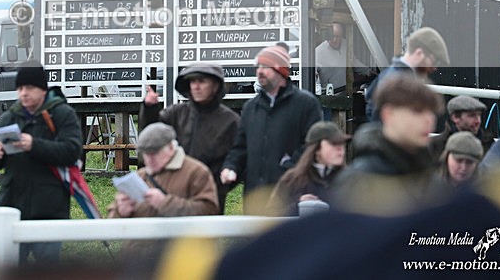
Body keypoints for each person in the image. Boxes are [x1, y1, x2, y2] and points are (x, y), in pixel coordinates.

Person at [0, 59, 82, 265]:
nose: (23, 93)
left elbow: (72, 152)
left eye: (29, 88)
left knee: (47, 269)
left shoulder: (63, 114)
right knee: (8, 266)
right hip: (12, 203)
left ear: (42, 89)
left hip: (48, 205)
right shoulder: (9, 117)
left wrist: (34, 145)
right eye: (20, 88)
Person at [220, 44, 322, 211]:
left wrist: (286, 167)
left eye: (266, 66)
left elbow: (312, 146)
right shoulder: (250, 108)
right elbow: (240, 147)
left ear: (282, 71)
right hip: (255, 198)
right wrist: (231, 167)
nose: (260, 71)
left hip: (291, 196)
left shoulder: (306, 104)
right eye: (258, 66)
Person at [333, 73, 445, 215]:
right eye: (417, 110)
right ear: (389, 114)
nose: (429, 120)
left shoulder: (432, 178)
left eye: (432, 112)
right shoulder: (357, 182)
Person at [139, 62, 239, 212]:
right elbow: (152, 135)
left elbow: (239, 156)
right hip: (172, 190)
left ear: (215, 86)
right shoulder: (176, 113)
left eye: (202, 81)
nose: (196, 86)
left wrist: (219, 186)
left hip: (209, 194)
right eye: (192, 82)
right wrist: (150, 109)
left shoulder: (230, 121)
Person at [108, 123, 219, 219]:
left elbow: (209, 211)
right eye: (146, 154)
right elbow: (111, 224)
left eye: (155, 153)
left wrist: (165, 203)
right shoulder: (140, 176)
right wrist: (120, 211)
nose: (150, 160)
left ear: (171, 148)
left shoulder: (196, 172)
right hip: (141, 238)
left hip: (182, 238)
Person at [364, 26, 449, 121]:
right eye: (434, 61)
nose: (434, 68)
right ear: (419, 53)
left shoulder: (392, 74)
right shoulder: (397, 80)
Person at [266, 121, 349, 216]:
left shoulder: (350, 180)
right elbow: (270, 215)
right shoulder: (292, 179)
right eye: (334, 144)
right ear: (316, 149)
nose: (340, 149)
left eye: (342, 144)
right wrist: (297, 206)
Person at [315, 22, 373, 94]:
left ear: (342, 36)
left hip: (344, 92)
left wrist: (368, 71)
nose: (334, 40)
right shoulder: (318, 52)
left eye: (337, 37)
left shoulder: (345, 45)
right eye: (332, 36)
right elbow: (312, 74)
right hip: (327, 95)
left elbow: (353, 61)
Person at [429, 95, 490, 159]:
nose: (478, 121)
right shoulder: (435, 146)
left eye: (479, 115)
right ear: (455, 117)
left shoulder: (489, 145)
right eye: (472, 115)